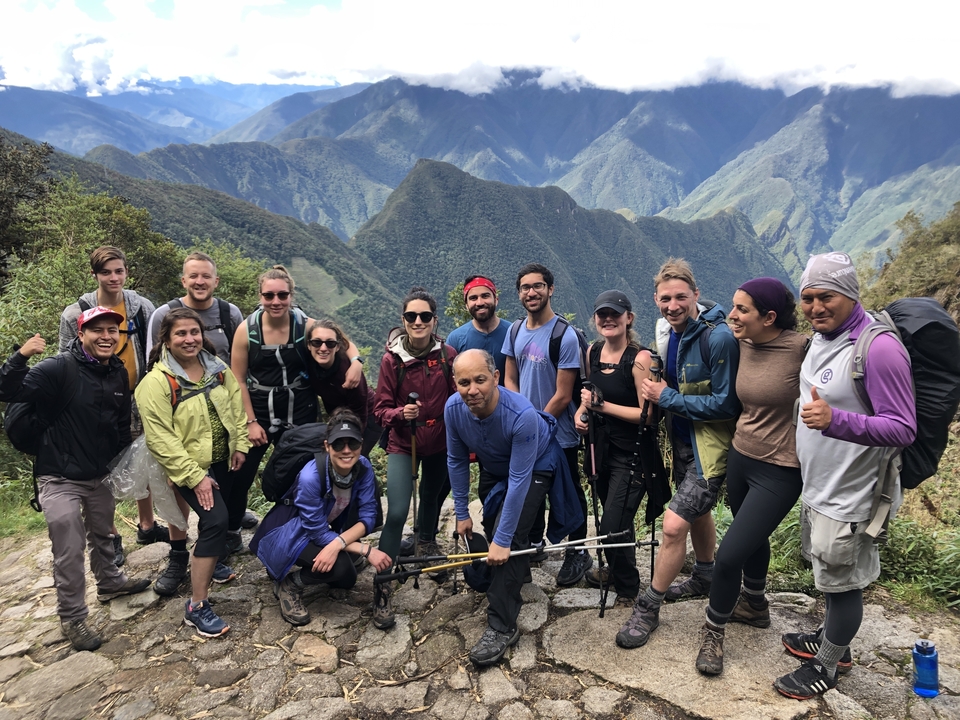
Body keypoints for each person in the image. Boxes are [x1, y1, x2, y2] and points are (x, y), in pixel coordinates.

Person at [774, 252, 915, 699]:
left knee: (844, 582)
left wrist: (836, 421)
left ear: (851, 294)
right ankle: (836, 640)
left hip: (853, 493)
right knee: (830, 575)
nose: (816, 307)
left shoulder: (879, 348)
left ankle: (829, 665)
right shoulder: (823, 337)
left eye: (827, 296)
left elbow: (903, 427)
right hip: (821, 484)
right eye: (809, 298)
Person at [0, 309, 151, 651]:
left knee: (104, 533)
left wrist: (125, 463)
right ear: (80, 335)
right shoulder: (58, 368)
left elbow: (116, 425)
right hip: (58, 475)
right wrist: (21, 355)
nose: (106, 336)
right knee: (68, 547)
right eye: (96, 330)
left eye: (112, 330)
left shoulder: (116, 372)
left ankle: (110, 582)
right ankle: (72, 616)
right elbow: (6, 389)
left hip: (98, 474)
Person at [616, 258, 740, 649]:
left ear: (696, 295)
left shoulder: (717, 338)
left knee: (673, 526)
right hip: (684, 443)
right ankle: (705, 574)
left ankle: (648, 607)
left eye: (681, 297)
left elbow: (728, 404)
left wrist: (667, 396)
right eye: (666, 298)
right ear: (656, 299)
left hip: (711, 450)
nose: (673, 305)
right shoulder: (669, 333)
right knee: (697, 512)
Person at [694, 279, 808, 676]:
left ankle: (714, 631)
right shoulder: (739, 344)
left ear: (769, 317)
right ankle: (755, 604)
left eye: (742, 309)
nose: (733, 315)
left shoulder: (801, 349)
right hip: (742, 457)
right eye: (732, 306)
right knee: (753, 538)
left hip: (781, 469)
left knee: (728, 557)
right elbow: (705, 320)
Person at [446, 349, 580, 666]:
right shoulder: (454, 410)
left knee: (509, 534)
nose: (472, 389)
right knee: (494, 527)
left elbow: (519, 480)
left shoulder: (520, 414)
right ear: (455, 384)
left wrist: (504, 541)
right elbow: (456, 459)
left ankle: (502, 624)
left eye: (480, 380)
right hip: (495, 465)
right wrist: (462, 513)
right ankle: (516, 569)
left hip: (534, 464)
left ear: (495, 378)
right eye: (464, 382)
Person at [229, 265, 364, 559]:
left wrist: (357, 361)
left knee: (306, 474)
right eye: (269, 295)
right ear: (260, 296)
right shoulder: (247, 331)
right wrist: (250, 422)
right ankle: (230, 533)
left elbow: (341, 338)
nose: (275, 301)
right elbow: (237, 378)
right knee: (242, 474)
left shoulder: (305, 325)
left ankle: (305, 531)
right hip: (260, 413)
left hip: (301, 411)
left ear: (292, 295)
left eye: (282, 295)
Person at [137, 307, 251, 638]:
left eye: (194, 332)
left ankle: (209, 564)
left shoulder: (216, 368)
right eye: (181, 334)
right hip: (190, 467)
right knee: (215, 522)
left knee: (220, 518)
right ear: (167, 340)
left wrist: (240, 444)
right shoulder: (156, 384)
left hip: (223, 459)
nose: (189, 339)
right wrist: (195, 476)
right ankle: (197, 606)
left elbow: (234, 404)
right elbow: (161, 440)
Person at [59, 246, 166, 566]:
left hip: (138, 396)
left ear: (126, 272)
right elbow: (65, 359)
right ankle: (108, 535)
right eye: (106, 272)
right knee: (100, 469)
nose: (113, 277)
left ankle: (146, 525)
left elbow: (159, 349)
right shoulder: (74, 313)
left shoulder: (141, 308)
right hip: (96, 401)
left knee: (140, 460)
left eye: (119, 271)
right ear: (94, 275)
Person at [252, 408, 392, 626]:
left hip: (326, 531)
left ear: (361, 444)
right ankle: (289, 585)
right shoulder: (311, 476)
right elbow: (315, 531)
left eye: (353, 444)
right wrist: (365, 550)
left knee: (346, 581)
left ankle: (329, 560)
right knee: (341, 568)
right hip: (292, 531)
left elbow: (369, 515)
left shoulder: (363, 467)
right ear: (327, 446)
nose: (346, 451)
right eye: (338, 444)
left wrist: (337, 545)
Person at [372, 287, 457, 630]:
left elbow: (459, 395)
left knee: (433, 499)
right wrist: (399, 414)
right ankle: (383, 582)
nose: (418, 321)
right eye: (411, 316)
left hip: (439, 442)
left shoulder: (448, 355)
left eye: (424, 316)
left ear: (435, 320)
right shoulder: (392, 359)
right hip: (403, 443)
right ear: (403, 321)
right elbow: (379, 409)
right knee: (395, 513)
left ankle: (425, 544)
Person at [502, 263, 591, 586]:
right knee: (528, 489)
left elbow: (563, 394)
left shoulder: (564, 335)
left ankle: (577, 550)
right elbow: (509, 378)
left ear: (551, 289)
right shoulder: (514, 331)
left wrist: (535, 423)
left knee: (567, 493)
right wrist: (519, 417)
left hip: (557, 433)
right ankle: (534, 543)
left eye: (538, 286)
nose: (531, 292)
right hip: (525, 430)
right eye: (525, 288)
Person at [573, 291, 655, 602]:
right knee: (615, 519)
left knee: (610, 525)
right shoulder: (592, 352)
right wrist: (582, 415)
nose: (608, 319)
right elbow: (588, 397)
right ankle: (621, 568)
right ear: (595, 320)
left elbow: (648, 417)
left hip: (633, 455)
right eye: (602, 314)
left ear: (628, 318)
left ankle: (628, 587)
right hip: (600, 450)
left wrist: (601, 407)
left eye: (615, 314)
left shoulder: (640, 359)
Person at [306, 317, 380, 457]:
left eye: (330, 343)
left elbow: (360, 411)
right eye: (316, 342)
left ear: (337, 346)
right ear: (309, 345)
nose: (323, 348)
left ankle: (366, 478)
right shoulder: (310, 362)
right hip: (337, 415)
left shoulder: (348, 374)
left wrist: (354, 439)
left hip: (369, 416)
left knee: (355, 456)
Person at [446, 275, 509, 382]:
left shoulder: (512, 332)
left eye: (485, 296)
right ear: (466, 305)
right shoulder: (456, 339)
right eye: (473, 298)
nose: (479, 303)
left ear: (496, 300)